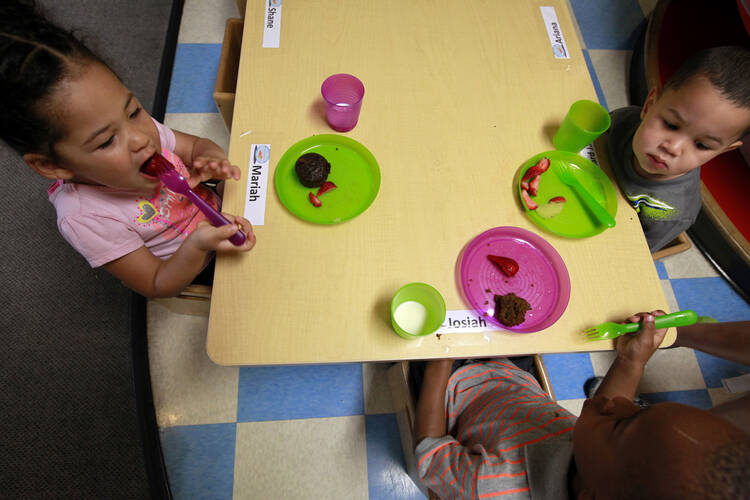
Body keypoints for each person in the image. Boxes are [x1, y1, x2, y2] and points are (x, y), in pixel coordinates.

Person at [0, 0, 256, 298]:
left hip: (222, 209)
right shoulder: (86, 218)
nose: (140, 139)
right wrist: (196, 247)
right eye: (107, 141)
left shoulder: (137, 131)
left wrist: (211, 160)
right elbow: (157, 284)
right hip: (194, 263)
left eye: (133, 110)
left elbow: (197, 145)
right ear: (52, 166)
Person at [414, 312, 750, 499]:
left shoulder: (490, 484)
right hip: (514, 381)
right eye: (639, 408)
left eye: (622, 423)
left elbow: (429, 451)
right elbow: (612, 407)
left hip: (454, 391)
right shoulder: (600, 460)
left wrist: (440, 362)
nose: (618, 404)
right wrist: (631, 362)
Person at [606, 46, 750, 252]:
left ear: (722, 151)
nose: (672, 148)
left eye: (702, 145)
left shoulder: (671, 211)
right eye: (671, 125)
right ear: (649, 105)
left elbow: (632, 254)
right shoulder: (622, 122)